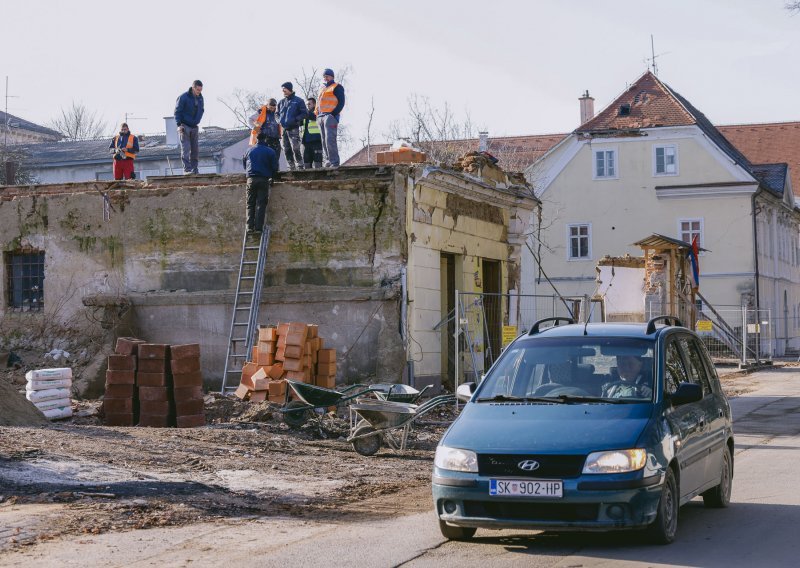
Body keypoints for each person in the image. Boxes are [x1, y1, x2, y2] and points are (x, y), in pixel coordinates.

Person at [242, 132, 279, 234]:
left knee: (250, 203)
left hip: (251, 179)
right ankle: (258, 228)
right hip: (263, 179)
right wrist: (272, 177)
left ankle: (249, 227)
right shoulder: (270, 151)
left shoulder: (248, 150)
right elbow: (275, 167)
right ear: (265, 139)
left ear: (256, 139)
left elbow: (245, 165)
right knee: (261, 204)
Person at [316, 68, 345, 168]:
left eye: (327, 76)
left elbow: (341, 102)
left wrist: (333, 114)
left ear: (332, 77)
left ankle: (334, 162)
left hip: (330, 116)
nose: (325, 78)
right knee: (323, 140)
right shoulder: (322, 88)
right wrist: (316, 113)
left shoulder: (337, 87)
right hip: (320, 116)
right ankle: (328, 160)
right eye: (324, 77)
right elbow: (318, 102)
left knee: (330, 139)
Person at [174, 80, 205, 174]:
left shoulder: (200, 98)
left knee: (195, 150)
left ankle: (195, 170)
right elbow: (177, 111)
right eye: (198, 90)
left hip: (194, 126)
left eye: (201, 90)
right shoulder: (183, 97)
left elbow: (201, 109)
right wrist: (179, 125)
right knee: (186, 149)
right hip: (184, 126)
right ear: (193, 88)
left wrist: (198, 119)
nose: (199, 92)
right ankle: (187, 170)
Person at [276, 82, 307, 171]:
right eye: (282, 90)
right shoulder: (281, 102)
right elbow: (276, 114)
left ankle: (300, 165)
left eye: (284, 89)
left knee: (295, 148)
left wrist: (295, 119)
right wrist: (279, 121)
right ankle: (291, 167)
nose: (283, 91)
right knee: (286, 149)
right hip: (284, 129)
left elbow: (304, 113)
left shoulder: (299, 101)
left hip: (294, 128)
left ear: (289, 89)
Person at [301, 97, 323, 169]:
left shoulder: (318, 112)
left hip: (316, 141)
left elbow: (313, 117)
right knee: (306, 163)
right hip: (306, 142)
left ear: (314, 104)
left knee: (318, 164)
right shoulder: (305, 114)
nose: (307, 106)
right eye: (306, 104)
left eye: (309, 104)